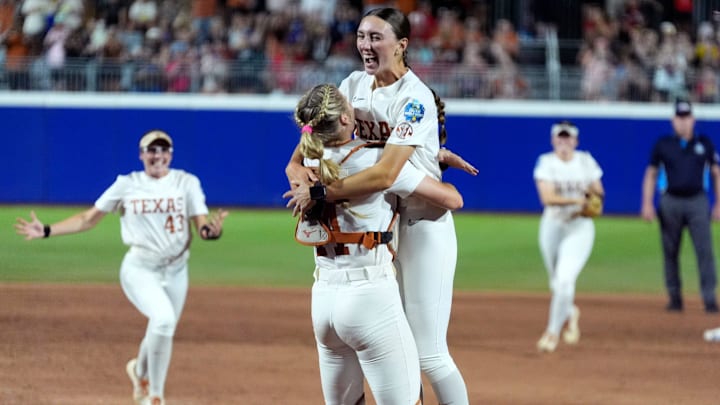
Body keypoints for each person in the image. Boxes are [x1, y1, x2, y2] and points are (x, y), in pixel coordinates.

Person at [285, 8, 475, 404]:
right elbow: (307, 148)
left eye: (376, 37)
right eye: (360, 36)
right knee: (395, 341)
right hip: (380, 224)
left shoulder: (415, 97)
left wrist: (319, 192)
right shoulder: (353, 84)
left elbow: (387, 172)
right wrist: (297, 173)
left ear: (402, 45)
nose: (365, 45)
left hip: (423, 222)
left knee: (428, 351)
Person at [14, 130, 228, 405]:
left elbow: (202, 227)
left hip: (177, 269)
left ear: (171, 155)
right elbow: (88, 219)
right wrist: (46, 230)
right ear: (141, 155)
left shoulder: (186, 182)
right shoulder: (126, 184)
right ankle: (155, 396)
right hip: (140, 268)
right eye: (152, 150)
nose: (158, 155)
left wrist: (213, 231)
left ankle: (139, 371)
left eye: (163, 150)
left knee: (163, 326)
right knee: (163, 320)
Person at [641, 98, 720, 313]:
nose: (683, 122)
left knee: (705, 251)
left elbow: (716, 173)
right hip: (670, 201)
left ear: (693, 120)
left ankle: (710, 298)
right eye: (679, 118)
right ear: (673, 120)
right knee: (670, 251)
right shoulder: (664, 145)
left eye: (686, 118)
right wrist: (647, 203)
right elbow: (651, 173)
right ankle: (675, 298)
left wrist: (719, 203)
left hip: (698, 201)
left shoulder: (704, 143)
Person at [532, 120, 604, 353]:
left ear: (575, 141)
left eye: (568, 138)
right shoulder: (546, 163)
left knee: (564, 281)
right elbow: (547, 198)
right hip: (552, 226)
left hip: (579, 228)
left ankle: (551, 333)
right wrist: (578, 199)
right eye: (560, 138)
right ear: (554, 140)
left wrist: (592, 196)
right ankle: (570, 312)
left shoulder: (585, 162)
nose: (564, 142)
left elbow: (599, 192)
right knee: (556, 282)